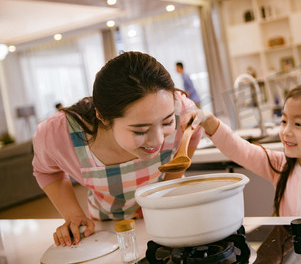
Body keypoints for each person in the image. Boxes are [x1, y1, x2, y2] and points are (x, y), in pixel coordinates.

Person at [32, 51, 202, 246]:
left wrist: (168, 189)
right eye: (140, 130)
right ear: (103, 117)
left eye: (167, 122)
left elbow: (194, 131)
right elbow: (46, 171)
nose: (156, 141)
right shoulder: (57, 133)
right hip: (109, 230)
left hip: (169, 216)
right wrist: (73, 215)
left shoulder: (179, 107)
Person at [186, 82, 301, 216]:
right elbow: (240, 149)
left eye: (298, 124)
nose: (286, 131)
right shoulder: (280, 166)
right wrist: (210, 122)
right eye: (284, 121)